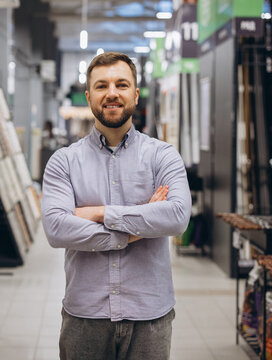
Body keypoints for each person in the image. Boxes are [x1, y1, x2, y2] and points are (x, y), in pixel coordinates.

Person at [41, 52, 191, 360]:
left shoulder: (163, 156)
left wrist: (99, 213)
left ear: (135, 93)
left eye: (121, 84)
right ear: (89, 96)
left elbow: (176, 217)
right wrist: (137, 229)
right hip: (85, 316)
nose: (112, 93)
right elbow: (57, 229)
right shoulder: (64, 162)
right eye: (102, 86)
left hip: (150, 315)